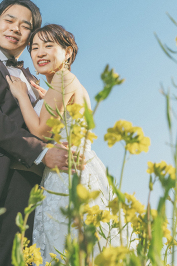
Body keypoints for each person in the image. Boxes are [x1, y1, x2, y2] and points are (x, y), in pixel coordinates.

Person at [0, 0, 83, 266]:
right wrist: (43, 154)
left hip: (49, 184)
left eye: (25, 26)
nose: (15, 29)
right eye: (9, 20)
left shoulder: (37, 79)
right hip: (4, 182)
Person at [7, 24, 113, 262]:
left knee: (65, 245)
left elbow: (42, 130)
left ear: (67, 53)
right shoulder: (63, 83)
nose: (40, 52)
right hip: (79, 167)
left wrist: (23, 96)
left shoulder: (63, 79)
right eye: (34, 47)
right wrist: (46, 99)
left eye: (48, 45)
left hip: (67, 171)